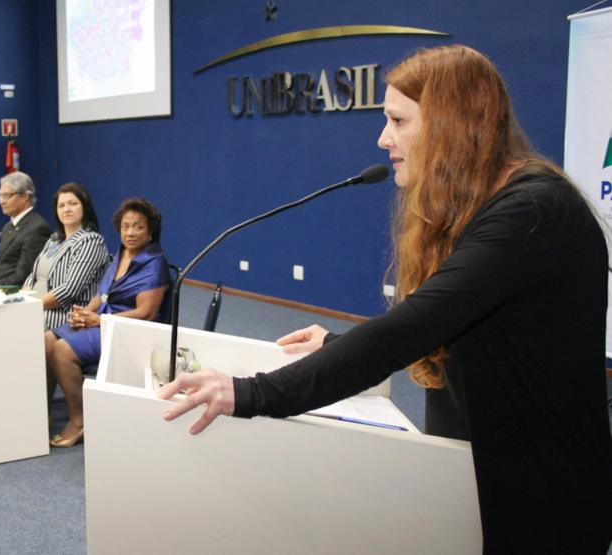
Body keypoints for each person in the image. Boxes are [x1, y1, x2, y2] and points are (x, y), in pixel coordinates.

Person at [158, 45, 612, 553]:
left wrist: (249, 393)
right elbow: (449, 327)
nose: (383, 138)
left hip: (545, 497)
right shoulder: (480, 206)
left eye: (397, 120)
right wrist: (336, 342)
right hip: (481, 472)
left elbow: (407, 330)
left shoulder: (533, 211)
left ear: (451, 123)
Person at [46, 198, 170, 448]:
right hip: (104, 322)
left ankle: (81, 420)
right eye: (126, 227)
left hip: (129, 332)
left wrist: (99, 319)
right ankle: (43, 410)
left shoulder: (155, 264)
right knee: (46, 339)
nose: (131, 232)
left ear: (150, 231)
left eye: (138, 227)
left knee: (61, 350)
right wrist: (84, 313)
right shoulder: (121, 254)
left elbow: (146, 313)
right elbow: (103, 294)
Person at [24, 182, 110, 330]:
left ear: (85, 207)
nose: (67, 209)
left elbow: (70, 290)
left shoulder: (91, 240)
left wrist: (31, 305)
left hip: (64, 316)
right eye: (61, 205)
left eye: (73, 204)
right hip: (35, 308)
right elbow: (33, 276)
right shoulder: (54, 239)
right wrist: (21, 301)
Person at [0, 172, 53, 286]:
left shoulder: (37, 228)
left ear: (25, 197)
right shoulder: (8, 227)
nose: (1, 201)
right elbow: (1, 267)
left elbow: (22, 276)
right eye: (0, 196)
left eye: (6, 196)